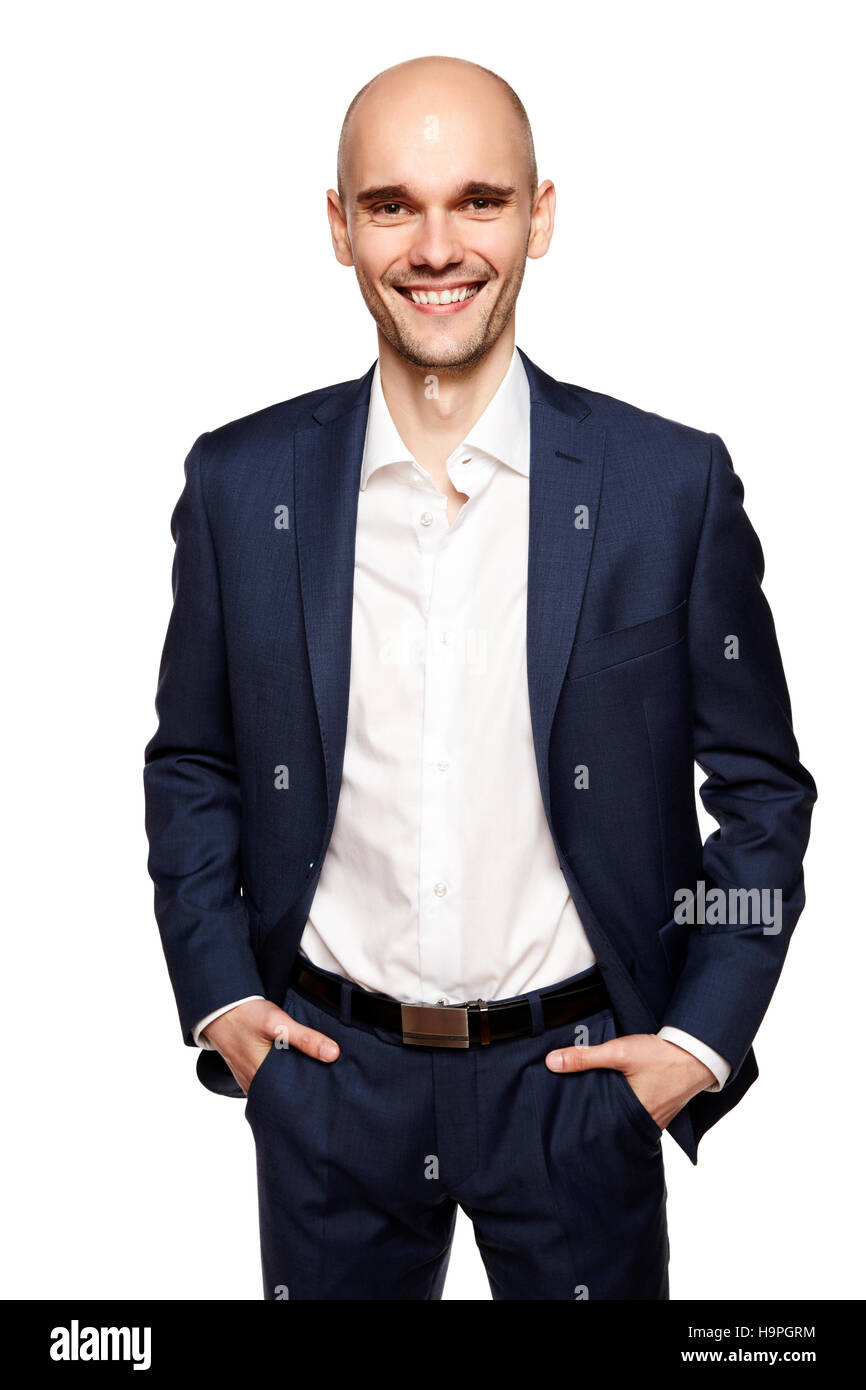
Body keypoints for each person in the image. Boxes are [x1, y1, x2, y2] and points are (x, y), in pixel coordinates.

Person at [143, 55, 816, 1300]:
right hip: (327, 1081)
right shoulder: (240, 486)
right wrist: (221, 997)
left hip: (570, 1088)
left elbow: (762, 800)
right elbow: (193, 760)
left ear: (540, 216)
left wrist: (695, 1035)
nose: (436, 245)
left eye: (480, 201)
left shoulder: (667, 488)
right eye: (392, 204)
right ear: (338, 227)